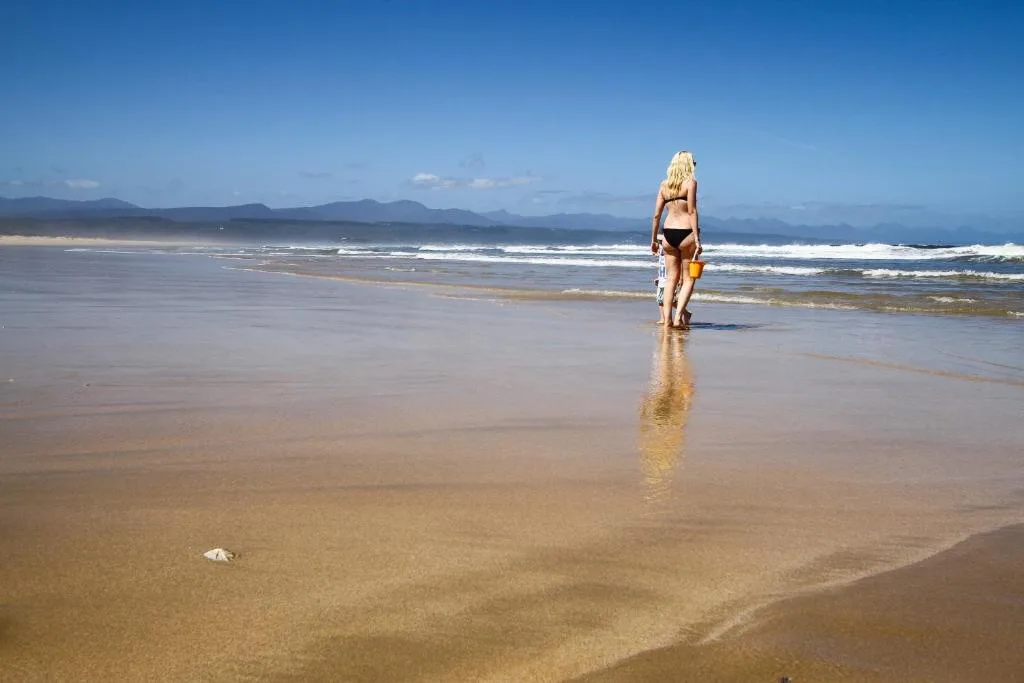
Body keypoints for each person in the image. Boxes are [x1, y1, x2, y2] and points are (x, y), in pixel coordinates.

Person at [650, 151, 702, 327]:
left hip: (668, 234)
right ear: (688, 165)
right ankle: (679, 317)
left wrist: (653, 240)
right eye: (693, 162)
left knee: (670, 279)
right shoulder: (690, 183)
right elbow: (692, 211)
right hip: (686, 233)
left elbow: (656, 215)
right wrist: (697, 239)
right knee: (688, 278)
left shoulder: (664, 185)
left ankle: (667, 321)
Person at [655, 244, 681, 324]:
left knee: (671, 300)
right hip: (662, 278)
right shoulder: (661, 249)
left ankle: (684, 313)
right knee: (660, 299)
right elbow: (661, 266)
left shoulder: (672, 248)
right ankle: (663, 318)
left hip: (670, 279)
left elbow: (678, 264)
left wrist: (679, 278)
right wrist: (659, 277)